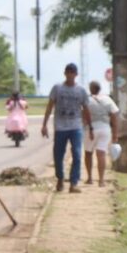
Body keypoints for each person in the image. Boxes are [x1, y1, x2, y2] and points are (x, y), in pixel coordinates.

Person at [41, 63, 91, 193]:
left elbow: (86, 109)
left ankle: (74, 182)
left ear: (76, 74)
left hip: (76, 126)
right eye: (68, 72)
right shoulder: (57, 88)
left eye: (72, 73)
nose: (70, 75)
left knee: (77, 153)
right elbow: (50, 106)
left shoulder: (81, 91)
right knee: (58, 155)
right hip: (60, 127)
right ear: (65, 73)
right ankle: (60, 178)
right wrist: (44, 124)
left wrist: (90, 127)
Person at [83, 81, 119, 187]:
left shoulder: (87, 100)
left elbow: (83, 115)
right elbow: (114, 116)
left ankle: (89, 178)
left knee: (88, 153)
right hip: (105, 129)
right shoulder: (108, 99)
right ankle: (101, 180)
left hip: (91, 129)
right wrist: (115, 134)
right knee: (101, 154)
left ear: (90, 89)